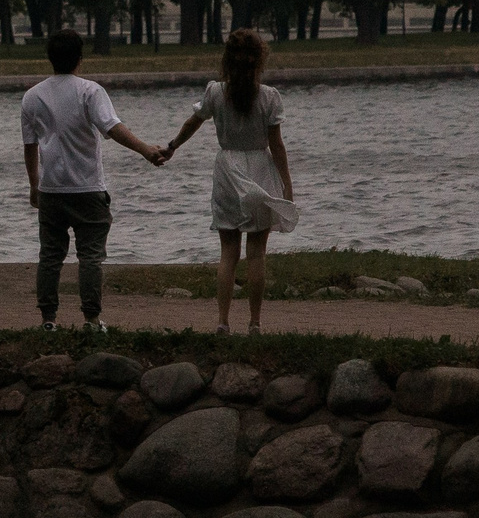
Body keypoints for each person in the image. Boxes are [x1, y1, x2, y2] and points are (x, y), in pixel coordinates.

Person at [21, 29, 168, 331]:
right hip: (87, 188)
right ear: (80, 58)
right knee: (90, 257)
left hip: (51, 189)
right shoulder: (89, 91)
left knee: (50, 256)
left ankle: (48, 320)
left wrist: (34, 186)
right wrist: (145, 150)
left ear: (50, 58)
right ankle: (91, 319)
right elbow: (112, 127)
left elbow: (30, 146)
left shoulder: (32, 96)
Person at [159, 27, 296, 334]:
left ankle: (222, 321)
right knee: (257, 252)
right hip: (259, 169)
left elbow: (192, 122)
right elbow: (277, 146)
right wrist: (287, 184)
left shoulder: (216, 93)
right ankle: (255, 323)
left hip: (227, 170)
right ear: (259, 60)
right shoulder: (269, 98)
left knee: (228, 251)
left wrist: (171, 147)